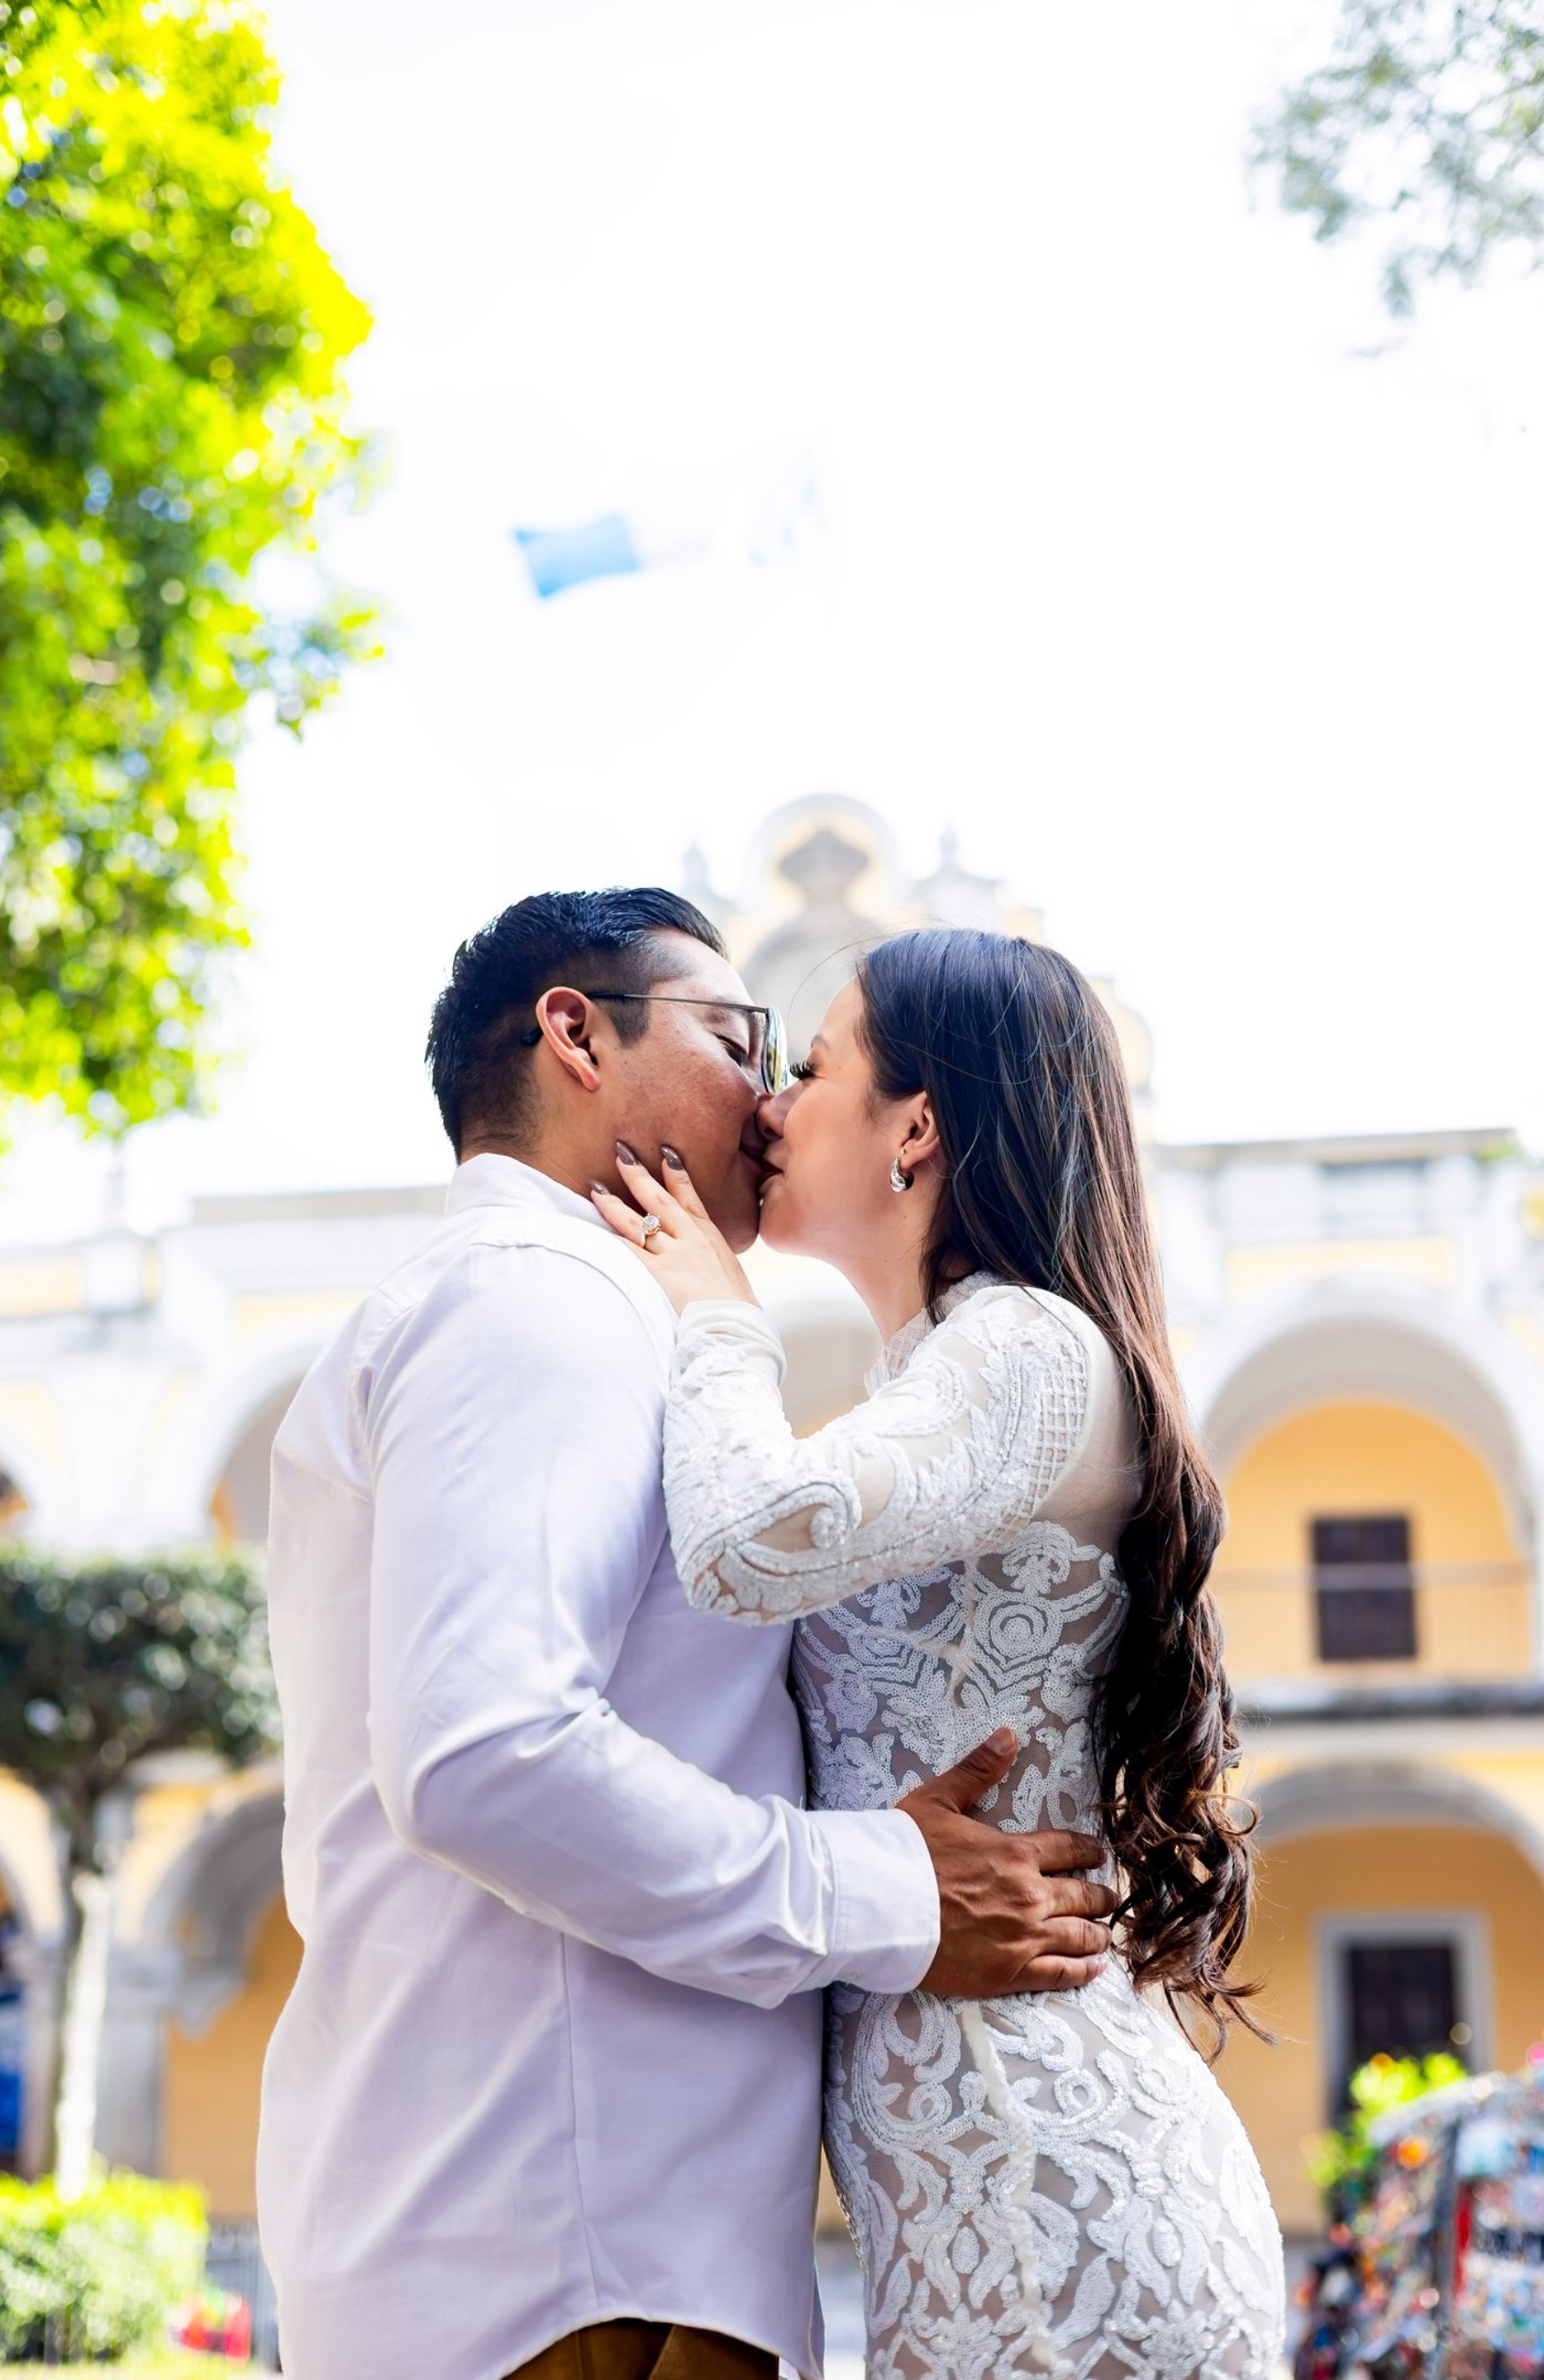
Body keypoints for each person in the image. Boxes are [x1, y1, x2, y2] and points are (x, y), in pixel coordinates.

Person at [256, 890, 1118, 2380]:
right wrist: (886, 1892)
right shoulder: (545, 1298)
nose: (771, 1097)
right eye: (739, 1039)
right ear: (577, 1037)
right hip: (571, 2243)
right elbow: (487, 1753)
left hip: (598, 2233)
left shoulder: (571, 1306)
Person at [592, 927, 1287, 2380]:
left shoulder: (1026, 1346)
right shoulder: (946, 1370)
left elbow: (745, 1541)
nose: (771, 1106)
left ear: (916, 1125)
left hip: (1061, 2213)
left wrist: (719, 1317)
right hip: (971, 2205)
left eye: (816, 1067)